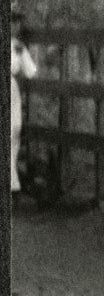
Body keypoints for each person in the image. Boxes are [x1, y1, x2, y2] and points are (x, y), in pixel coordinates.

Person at [11, 16, 38, 193]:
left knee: (13, 133)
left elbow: (31, 72)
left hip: (10, 91)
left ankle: (11, 185)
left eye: (16, 23)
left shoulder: (17, 47)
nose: (13, 26)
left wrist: (22, 54)